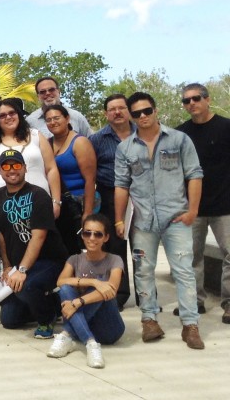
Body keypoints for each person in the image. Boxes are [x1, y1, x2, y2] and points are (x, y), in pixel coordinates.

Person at [115, 91, 205, 350]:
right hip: (143, 220)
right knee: (143, 271)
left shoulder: (179, 139)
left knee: (184, 272)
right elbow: (121, 184)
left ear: (155, 111)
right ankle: (149, 320)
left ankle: (190, 325)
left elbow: (194, 175)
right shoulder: (126, 147)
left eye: (147, 111)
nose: (142, 116)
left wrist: (192, 211)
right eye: (137, 113)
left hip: (176, 217)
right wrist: (120, 219)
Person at [0, 98, 61, 300]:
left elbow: (51, 169)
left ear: (19, 115)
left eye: (12, 113)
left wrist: (56, 200)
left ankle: (32, 287)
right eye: (2, 115)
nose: (8, 117)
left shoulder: (36, 136)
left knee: (35, 246)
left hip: (36, 204)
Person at [0, 149, 67, 339]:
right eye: (6, 166)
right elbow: (2, 234)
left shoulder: (39, 195)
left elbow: (39, 237)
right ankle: (53, 303)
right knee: (8, 320)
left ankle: (46, 319)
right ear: (0, 171)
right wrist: (8, 266)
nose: (12, 170)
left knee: (27, 287)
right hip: (20, 265)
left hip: (48, 261)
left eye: (17, 165)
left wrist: (22, 270)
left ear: (25, 168)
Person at [176, 83, 230, 323]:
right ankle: (194, 301)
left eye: (196, 99)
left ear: (208, 100)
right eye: (186, 101)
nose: (191, 104)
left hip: (226, 206)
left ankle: (228, 304)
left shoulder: (226, 127)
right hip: (192, 208)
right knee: (191, 257)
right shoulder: (180, 134)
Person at [47, 214, 125, 369]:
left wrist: (78, 302)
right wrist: (93, 281)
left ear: (106, 237)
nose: (92, 238)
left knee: (104, 287)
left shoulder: (114, 260)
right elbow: (60, 281)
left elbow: (112, 289)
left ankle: (66, 335)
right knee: (66, 288)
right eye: (87, 233)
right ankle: (90, 344)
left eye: (98, 234)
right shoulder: (74, 259)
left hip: (109, 328)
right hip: (83, 324)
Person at [88, 93, 135, 308]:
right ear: (106, 114)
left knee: (143, 248)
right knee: (116, 247)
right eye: (112, 109)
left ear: (128, 111)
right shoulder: (97, 140)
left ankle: (147, 296)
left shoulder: (143, 134)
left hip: (141, 195)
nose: (117, 112)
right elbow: (89, 172)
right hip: (110, 196)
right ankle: (119, 294)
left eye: (121, 108)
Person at [45, 104, 97, 254]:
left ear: (67, 118)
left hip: (77, 203)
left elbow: (90, 180)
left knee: (79, 250)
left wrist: (87, 213)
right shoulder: (47, 143)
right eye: (48, 120)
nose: (53, 122)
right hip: (58, 204)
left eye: (56, 118)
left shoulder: (80, 142)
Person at [27, 77, 92, 137]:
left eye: (51, 90)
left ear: (59, 91)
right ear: (38, 96)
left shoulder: (77, 117)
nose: (47, 93)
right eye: (42, 92)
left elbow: (90, 142)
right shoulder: (30, 121)